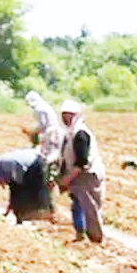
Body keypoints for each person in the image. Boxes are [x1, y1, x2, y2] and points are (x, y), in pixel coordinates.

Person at [57, 98, 106, 243]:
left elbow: (82, 161)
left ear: (76, 115)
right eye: (64, 115)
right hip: (77, 175)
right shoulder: (70, 133)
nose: (66, 118)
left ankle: (96, 238)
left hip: (87, 175)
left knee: (89, 207)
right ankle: (80, 233)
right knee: (77, 204)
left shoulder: (80, 134)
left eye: (69, 115)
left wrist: (67, 178)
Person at [0, 148, 54, 223]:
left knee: (22, 192)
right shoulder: (1, 161)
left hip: (31, 166)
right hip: (40, 158)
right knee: (41, 188)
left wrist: (10, 210)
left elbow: (13, 188)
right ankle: (49, 213)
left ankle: (23, 217)